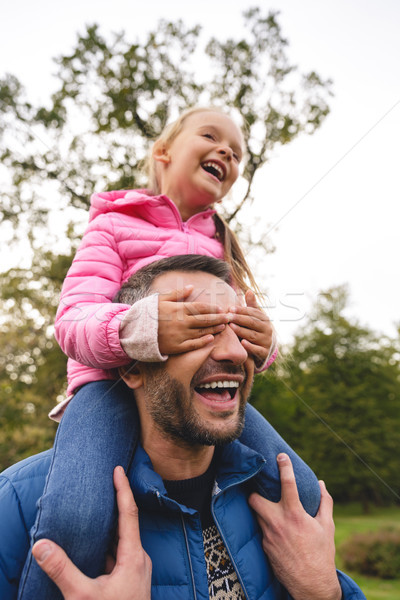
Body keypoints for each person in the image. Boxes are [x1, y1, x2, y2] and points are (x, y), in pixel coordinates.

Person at [17, 107, 321, 599]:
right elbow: (72, 322)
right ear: (163, 152)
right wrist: (143, 328)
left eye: (237, 152)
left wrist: (263, 345)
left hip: (198, 389)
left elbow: (243, 328)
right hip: (109, 386)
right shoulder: (113, 226)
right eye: (211, 136)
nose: (227, 151)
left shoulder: (220, 243)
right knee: (76, 515)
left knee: (302, 493)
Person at [0, 256, 366, 600]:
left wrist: (324, 590)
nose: (236, 353)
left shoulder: (286, 516)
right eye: (200, 328)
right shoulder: (17, 504)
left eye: (241, 331)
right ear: (132, 368)